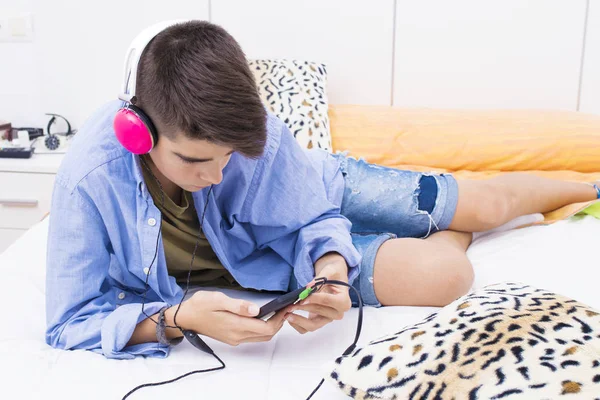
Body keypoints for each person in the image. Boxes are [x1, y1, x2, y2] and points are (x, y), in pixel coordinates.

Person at [45, 20, 600, 359]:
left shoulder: (254, 130)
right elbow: (69, 322)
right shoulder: (89, 180)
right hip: (266, 263)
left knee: (491, 202)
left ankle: (588, 181)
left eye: (227, 159)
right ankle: (448, 233)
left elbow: (312, 218)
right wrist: (177, 319)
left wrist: (330, 267)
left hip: (324, 190)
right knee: (448, 276)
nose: (214, 176)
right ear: (136, 131)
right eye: (194, 160)